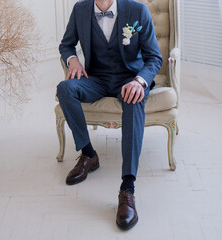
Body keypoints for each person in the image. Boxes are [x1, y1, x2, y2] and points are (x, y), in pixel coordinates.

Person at [57, 0, 162, 230]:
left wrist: (139, 81)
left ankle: (127, 188)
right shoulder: (79, 9)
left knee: (134, 99)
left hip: (130, 78)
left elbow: (155, 58)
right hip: (97, 79)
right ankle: (88, 154)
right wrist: (72, 59)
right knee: (65, 89)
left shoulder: (138, 10)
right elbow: (66, 45)